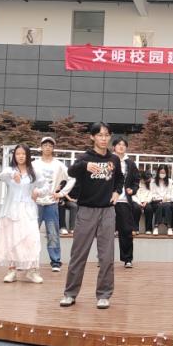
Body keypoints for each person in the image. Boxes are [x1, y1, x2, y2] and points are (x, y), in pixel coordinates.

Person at [60, 123, 124, 309]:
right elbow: (71, 171)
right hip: (86, 211)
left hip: (107, 211)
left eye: (106, 135)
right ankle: (70, 294)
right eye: (100, 135)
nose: (104, 138)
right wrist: (86, 166)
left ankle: (104, 294)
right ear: (92, 137)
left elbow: (119, 178)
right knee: (78, 255)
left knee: (107, 257)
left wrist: (117, 192)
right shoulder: (84, 158)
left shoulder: (114, 159)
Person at [0, 144, 45, 284]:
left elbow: (45, 186)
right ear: (14, 156)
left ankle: (32, 271)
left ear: (28, 155)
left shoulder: (34, 171)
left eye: (23, 153)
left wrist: (38, 192)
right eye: (18, 154)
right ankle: (12, 271)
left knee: (32, 239)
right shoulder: (9, 170)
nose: (21, 156)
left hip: (28, 211)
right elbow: (1, 175)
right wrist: (13, 174)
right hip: (11, 211)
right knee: (12, 240)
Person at [34, 137, 74, 272]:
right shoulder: (34, 164)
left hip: (51, 203)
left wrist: (61, 193)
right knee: (31, 233)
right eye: (45, 145)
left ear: (53, 148)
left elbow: (72, 178)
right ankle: (28, 260)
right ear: (41, 147)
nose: (47, 147)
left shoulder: (59, 165)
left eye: (50, 145)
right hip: (36, 203)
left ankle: (55, 261)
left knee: (53, 233)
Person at [111, 135, 140, 268]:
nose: (121, 147)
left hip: (123, 200)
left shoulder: (131, 163)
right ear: (114, 147)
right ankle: (104, 258)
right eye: (119, 144)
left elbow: (136, 180)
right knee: (106, 231)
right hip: (109, 200)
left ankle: (127, 259)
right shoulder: (108, 160)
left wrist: (132, 190)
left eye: (123, 145)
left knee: (126, 231)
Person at [154, 164, 173, 235]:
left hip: (167, 200)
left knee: (167, 206)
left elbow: (170, 193)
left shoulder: (170, 182)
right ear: (158, 172)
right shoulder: (153, 182)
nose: (162, 174)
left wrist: (165, 199)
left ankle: (169, 227)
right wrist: (159, 199)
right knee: (159, 206)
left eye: (164, 173)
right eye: (161, 172)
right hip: (156, 201)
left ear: (166, 173)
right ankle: (156, 226)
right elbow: (152, 193)